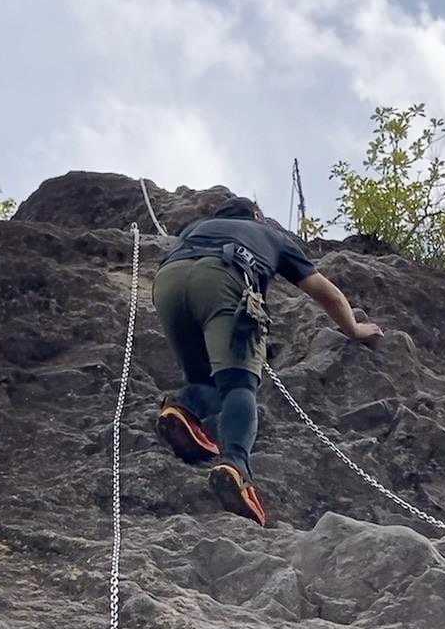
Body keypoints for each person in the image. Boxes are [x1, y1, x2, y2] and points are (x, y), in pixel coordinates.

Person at [152, 196, 383, 525]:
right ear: (257, 216)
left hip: (168, 281)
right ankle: (235, 466)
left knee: (205, 381)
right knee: (238, 384)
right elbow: (325, 292)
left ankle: (184, 407)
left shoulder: (197, 228)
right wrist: (355, 329)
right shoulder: (272, 235)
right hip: (223, 276)